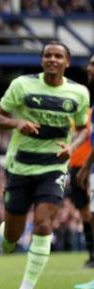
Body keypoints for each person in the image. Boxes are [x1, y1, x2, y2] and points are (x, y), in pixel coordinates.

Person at [0, 42, 89, 289]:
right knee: (12, 235)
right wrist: (17, 123)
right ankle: (7, 236)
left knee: (44, 224)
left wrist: (73, 146)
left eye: (59, 56)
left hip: (53, 167)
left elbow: (82, 128)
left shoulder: (79, 93)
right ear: (42, 60)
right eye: (48, 55)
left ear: (67, 62)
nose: (53, 59)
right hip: (20, 166)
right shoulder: (22, 85)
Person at [68, 54, 94, 268]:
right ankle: (92, 254)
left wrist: (86, 166)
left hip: (87, 166)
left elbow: (87, 135)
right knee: (86, 212)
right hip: (77, 167)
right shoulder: (67, 115)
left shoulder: (87, 113)